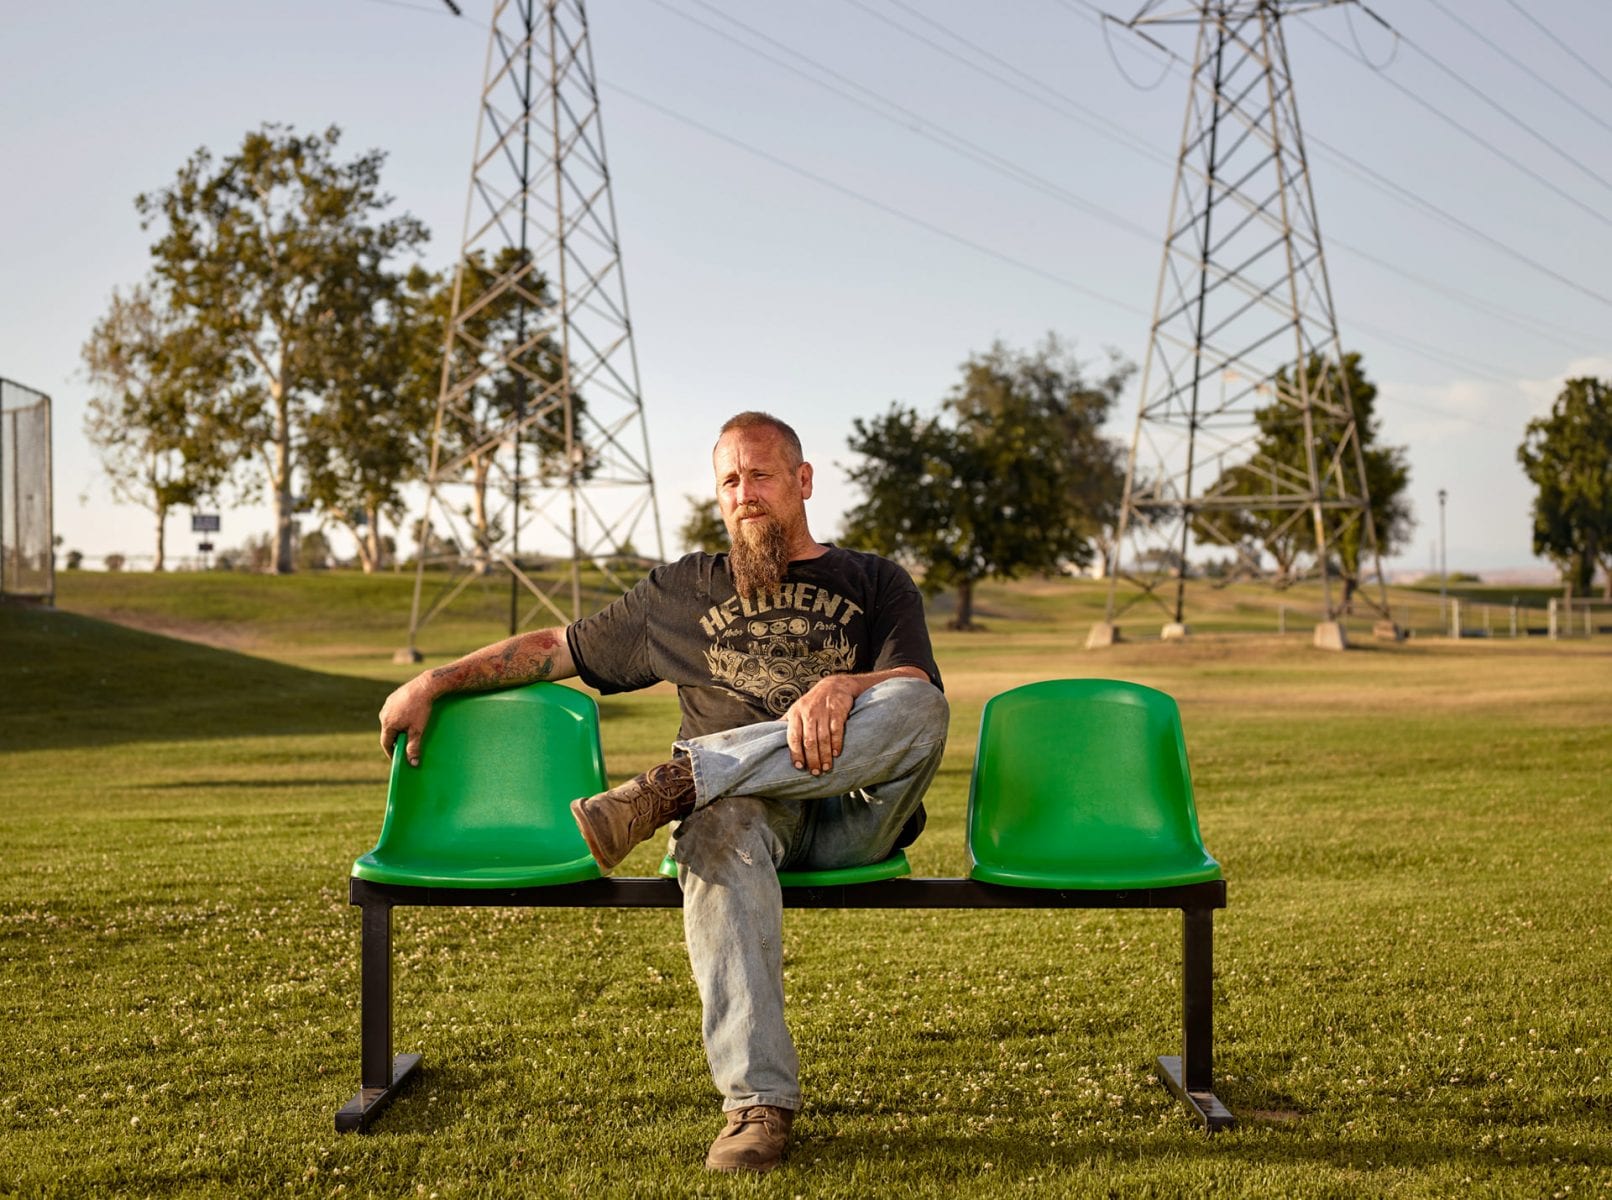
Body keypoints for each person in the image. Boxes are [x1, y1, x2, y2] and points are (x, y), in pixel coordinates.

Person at [378, 411, 948, 1174]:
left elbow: (910, 695)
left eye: (762, 475)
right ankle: (757, 1107)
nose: (745, 493)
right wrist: (434, 679)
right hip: (745, 819)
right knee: (719, 826)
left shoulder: (876, 579)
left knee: (923, 705)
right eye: (730, 480)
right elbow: (558, 649)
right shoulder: (681, 590)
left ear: (803, 482)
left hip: (853, 814)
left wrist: (846, 685)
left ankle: (675, 784)